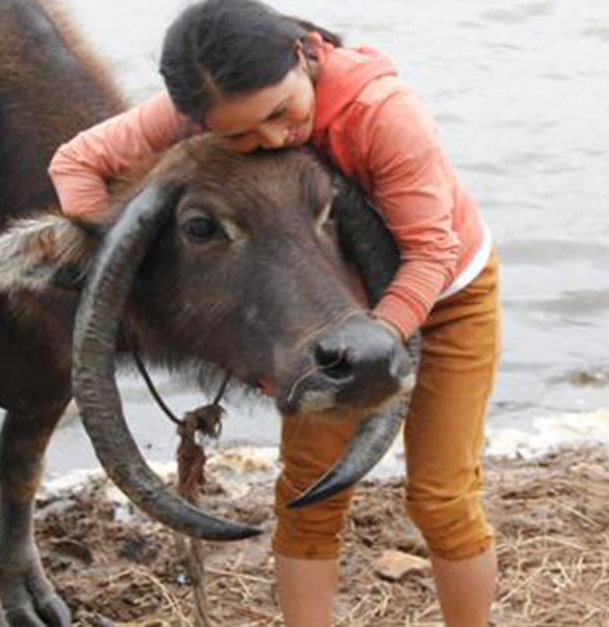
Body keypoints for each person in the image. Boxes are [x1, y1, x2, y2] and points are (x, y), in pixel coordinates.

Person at [49, 1, 500, 624]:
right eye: (237, 137)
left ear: (304, 52)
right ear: (196, 119)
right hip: (319, 313)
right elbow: (75, 161)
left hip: (448, 298)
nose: (273, 138)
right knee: (309, 497)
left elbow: (429, 253)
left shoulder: (382, 112)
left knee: (442, 497)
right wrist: (109, 250)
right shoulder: (194, 114)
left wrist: (375, 342)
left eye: (281, 112)